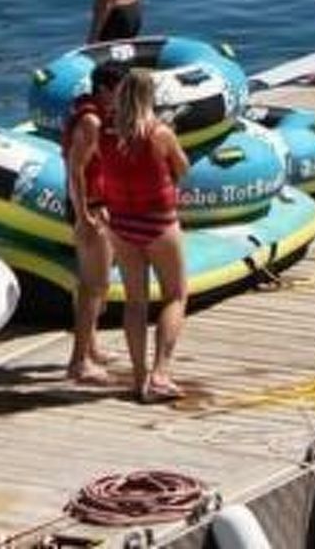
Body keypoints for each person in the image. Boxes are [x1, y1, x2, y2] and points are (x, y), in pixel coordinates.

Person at [94, 69, 189, 403]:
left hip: (121, 224)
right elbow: (182, 167)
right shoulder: (159, 133)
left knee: (135, 302)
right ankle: (160, 373)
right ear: (150, 97)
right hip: (158, 222)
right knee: (175, 295)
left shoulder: (105, 133)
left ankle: (138, 377)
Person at [60, 59, 129, 384]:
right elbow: (75, 170)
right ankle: (78, 362)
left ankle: (92, 347)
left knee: (96, 283)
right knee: (94, 285)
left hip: (100, 204)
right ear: (104, 89)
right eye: (121, 90)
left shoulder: (100, 116)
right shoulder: (91, 121)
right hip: (91, 207)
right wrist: (84, 215)